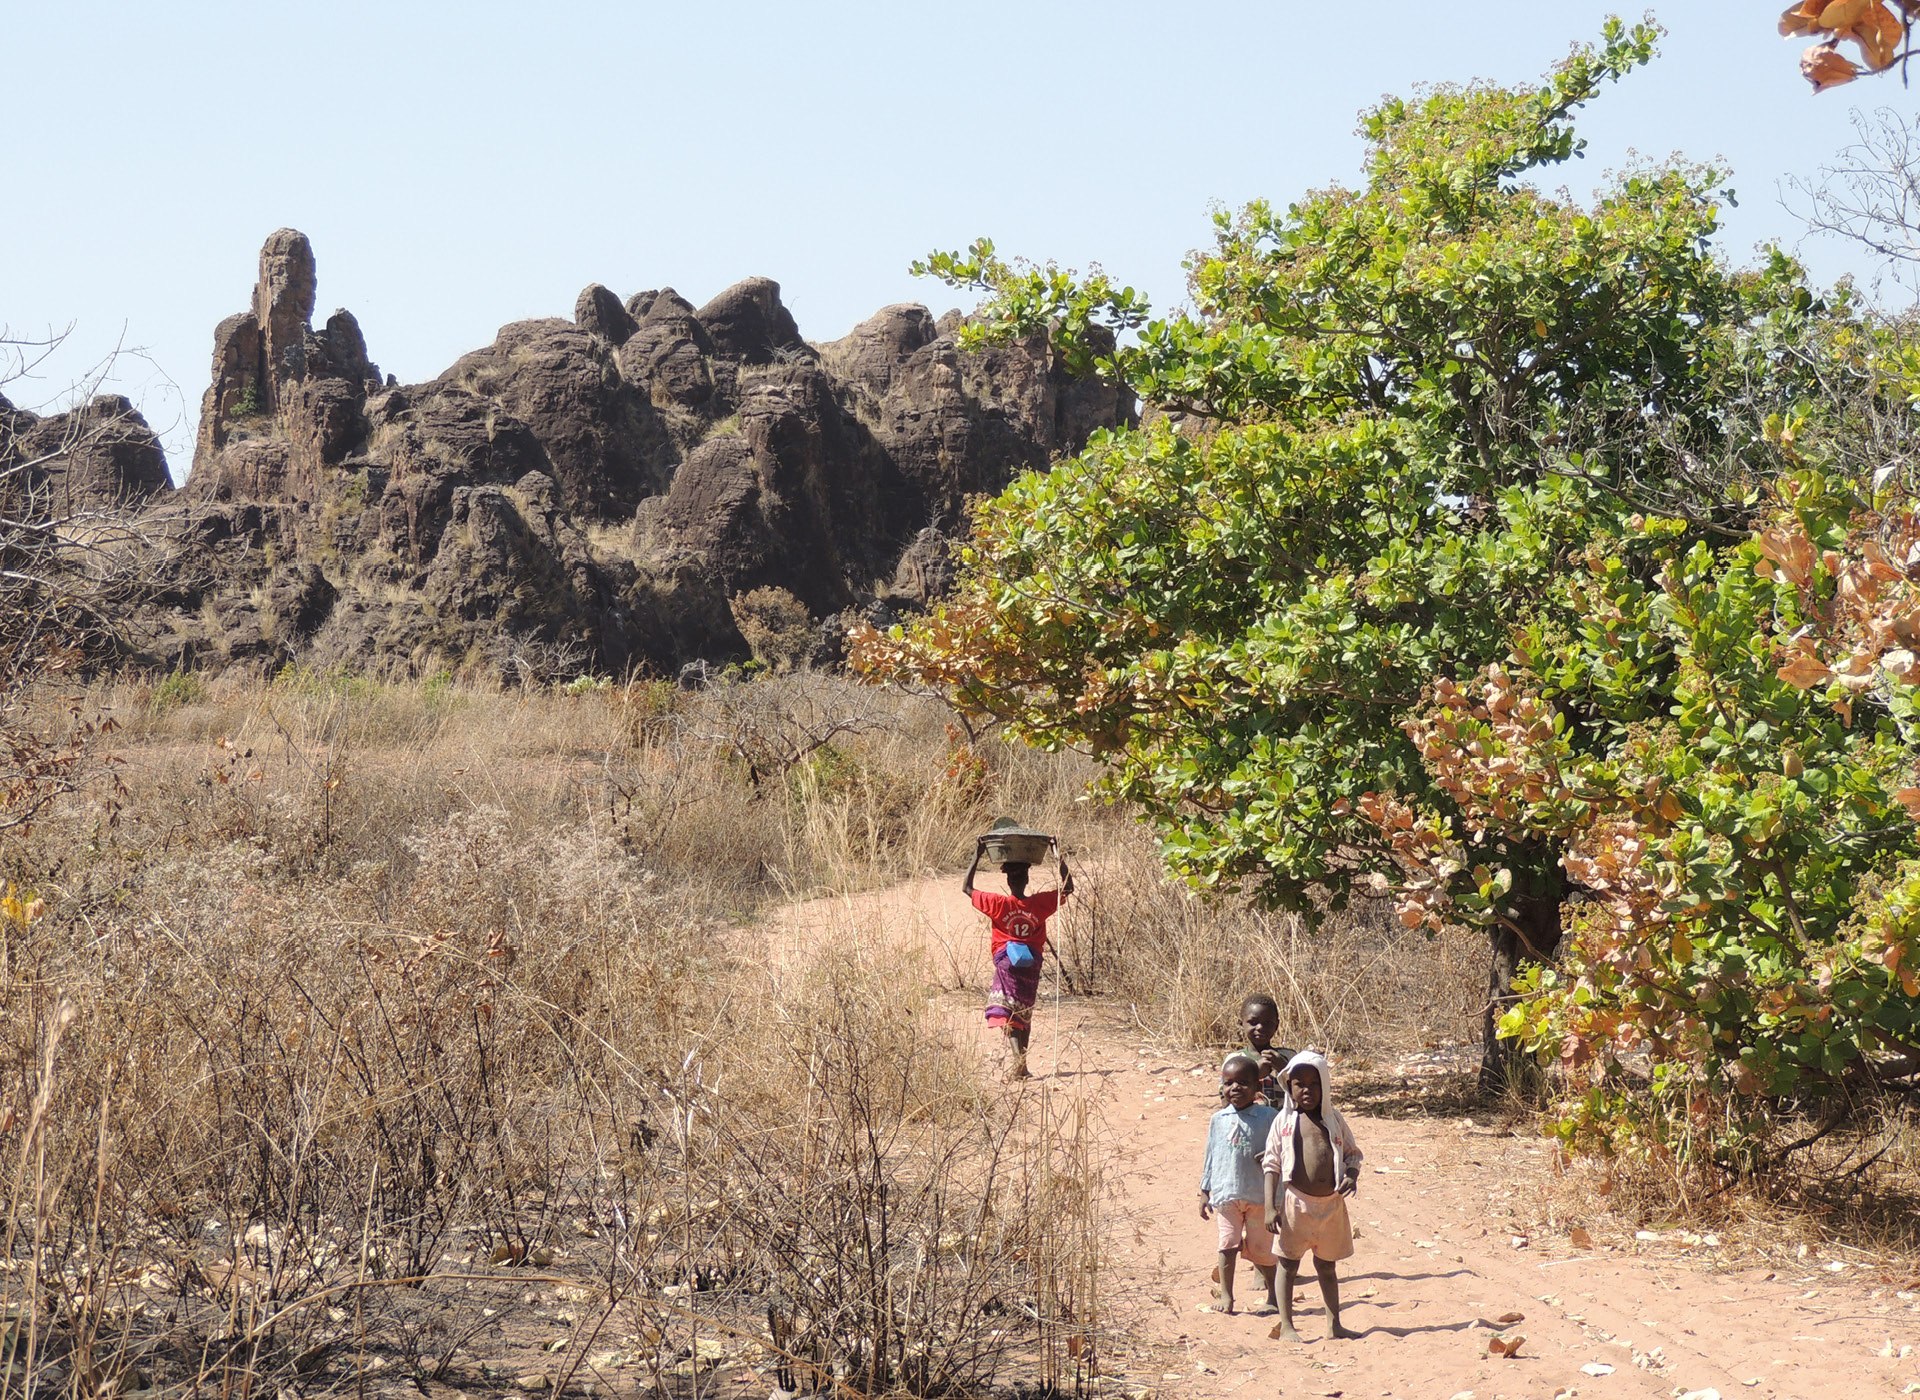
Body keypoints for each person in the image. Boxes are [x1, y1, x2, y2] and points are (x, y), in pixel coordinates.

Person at [1261, 1050, 1362, 1342]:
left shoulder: (1334, 1120)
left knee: (1327, 1267)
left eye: (1314, 1084)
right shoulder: (1283, 1122)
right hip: (1295, 1205)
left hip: (1330, 1205)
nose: (1307, 1090)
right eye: (1299, 1084)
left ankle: (1335, 1325)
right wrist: (1270, 1207)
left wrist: (1351, 1176)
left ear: (1325, 1086)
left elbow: (1353, 1154)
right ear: (1289, 1086)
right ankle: (1287, 1325)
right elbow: (1271, 1164)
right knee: (1288, 1264)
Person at [962, 838, 1073, 1081]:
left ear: (1009, 881)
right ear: (1026, 880)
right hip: (1031, 963)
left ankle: (1019, 1063)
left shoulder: (998, 904)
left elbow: (967, 888)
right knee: (1025, 1012)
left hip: (1006, 962)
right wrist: (1057, 855)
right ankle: (1022, 1064)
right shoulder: (1039, 904)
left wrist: (977, 854)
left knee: (1007, 1012)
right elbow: (1067, 888)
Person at [1199, 1052, 1282, 1315]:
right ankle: (1227, 1295)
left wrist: (1269, 1154)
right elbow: (1211, 1155)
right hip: (1226, 1194)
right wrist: (1204, 1190)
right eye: (1228, 1083)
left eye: (1244, 1083)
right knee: (1227, 1244)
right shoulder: (1218, 1119)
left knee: (1263, 1250)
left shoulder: (1269, 1116)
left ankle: (1274, 1297)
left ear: (1257, 1086)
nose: (1235, 1088)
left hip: (1259, 1196)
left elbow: (1281, 1148)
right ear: (1222, 1086)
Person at [1241, 993, 1296, 1109]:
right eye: (1253, 1022)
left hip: (1284, 1123)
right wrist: (1254, 1075)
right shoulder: (1235, 1061)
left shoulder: (1289, 1057)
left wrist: (1284, 1069)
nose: (1260, 1027)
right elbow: (1226, 1103)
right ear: (1241, 1024)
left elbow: (1306, 1091)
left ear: (1276, 1025)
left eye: (1267, 1023)